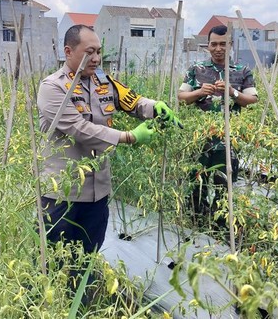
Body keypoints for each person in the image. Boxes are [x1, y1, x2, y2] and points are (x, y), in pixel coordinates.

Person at [37, 24, 181, 255]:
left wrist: (155, 107)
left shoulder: (104, 82)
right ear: (68, 51)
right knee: (53, 259)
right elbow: (79, 128)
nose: (96, 58)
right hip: (62, 194)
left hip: (97, 192)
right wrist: (129, 137)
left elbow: (132, 101)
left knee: (88, 258)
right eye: (89, 52)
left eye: (99, 52)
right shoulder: (52, 87)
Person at [177, 24, 258, 221]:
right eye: (214, 44)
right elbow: (181, 96)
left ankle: (220, 223)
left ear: (230, 45)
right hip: (200, 139)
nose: (218, 48)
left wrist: (232, 92)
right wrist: (199, 92)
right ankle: (195, 218)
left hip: (228, 139)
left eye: (223, 44)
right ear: (208, 46)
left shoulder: (242, 70)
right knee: (197, 181)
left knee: (225, 183)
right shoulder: (196, 69)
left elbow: (253, 99)